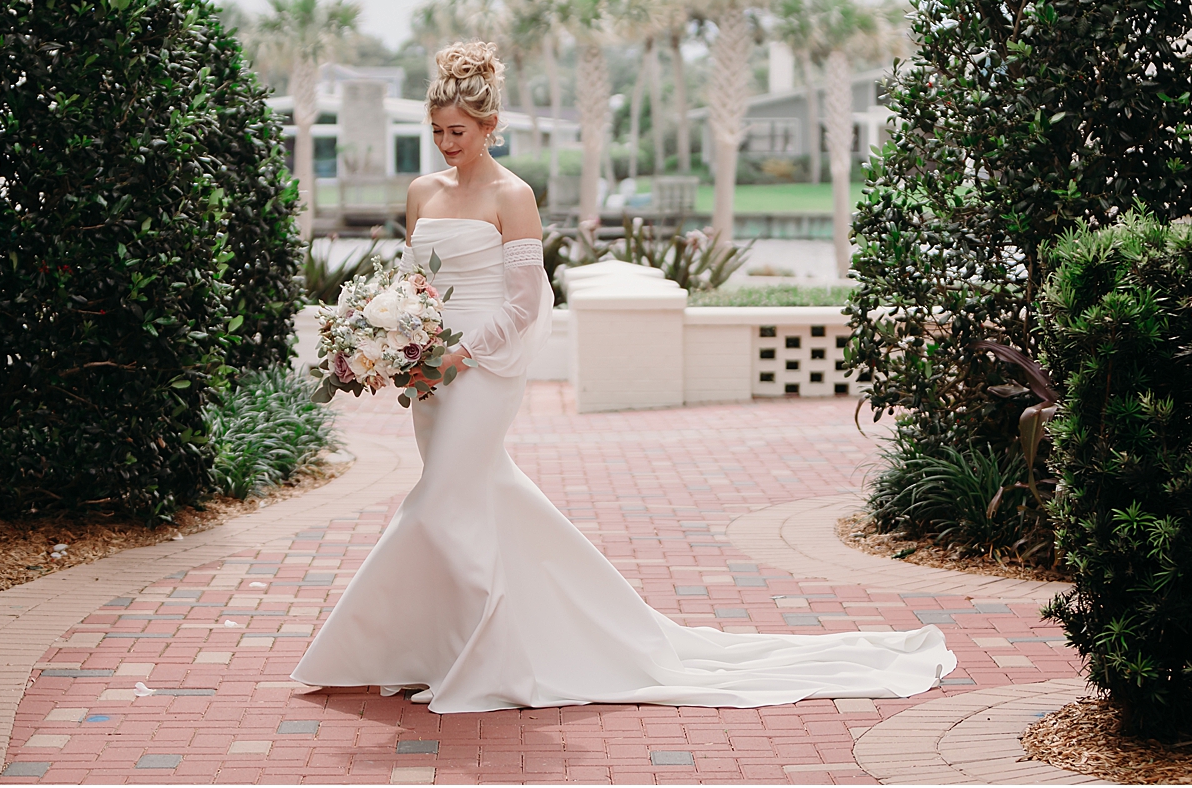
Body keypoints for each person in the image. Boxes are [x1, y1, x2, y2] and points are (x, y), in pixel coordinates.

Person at [291, 39, 955, 712]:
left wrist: (465, 352)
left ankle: (480, 658)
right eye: (436, 132)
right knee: (476, 497)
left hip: (483, 365)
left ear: (489, 127)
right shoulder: (421, 190)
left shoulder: (512, 194)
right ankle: (438, 647)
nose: (444, 143)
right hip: (428, 367)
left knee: (438, 503)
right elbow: (412, 281)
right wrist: (395, 338)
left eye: (457, 131)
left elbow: (526, 299)